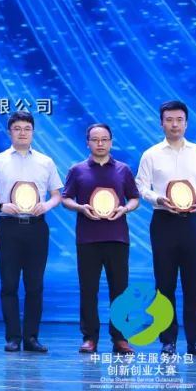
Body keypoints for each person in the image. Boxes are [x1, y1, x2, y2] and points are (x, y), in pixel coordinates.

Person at [136, 100, 196, 357]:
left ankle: (195, 342)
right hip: (164, 222)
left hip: (193, 222)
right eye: (169, 120)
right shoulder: (151, 154)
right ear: (161, 123)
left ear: (186, 123)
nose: (174, 125)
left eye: (179, 120)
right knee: (164, 284)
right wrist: (158, 199)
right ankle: (168, 341)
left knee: (194, 283)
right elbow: (141, 186)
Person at [0, 110, 63, 353]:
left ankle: (32, 337)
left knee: (35, 284)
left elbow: (57, 194)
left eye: (27, 129)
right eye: (17, 129)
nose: (22, 133)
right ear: (9, 132)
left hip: (37, 227)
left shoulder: (46, 162)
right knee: (9, 283)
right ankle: (13, 337)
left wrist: (46, 205)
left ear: (33, 132)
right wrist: (0, 205)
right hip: (8, 227)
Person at [61, 123, 139, 355]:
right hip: (88, 239)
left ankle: (120, 338)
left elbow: (134, 198)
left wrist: (125, 209)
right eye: (95, 139)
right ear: (87, 143)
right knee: (88, 290)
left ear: (111, 142)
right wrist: (80, 208)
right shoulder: (77, 170)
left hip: (117, 238)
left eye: (104, 139)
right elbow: (66, 198)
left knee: (120, 290)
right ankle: (89, 338)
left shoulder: (123, 169)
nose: (100, 143)